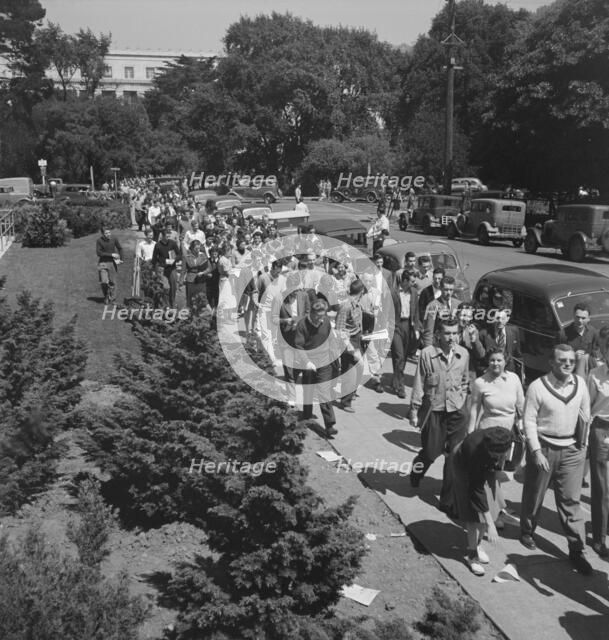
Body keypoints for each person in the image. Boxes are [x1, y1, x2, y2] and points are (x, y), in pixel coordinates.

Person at [520, 344, 592, 575]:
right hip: (544, 447)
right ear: (552, 362)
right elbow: (528, 421)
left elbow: (586, 415)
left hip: (571, 449)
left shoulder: (580, 384)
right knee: (534, 494)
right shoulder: (537, 387)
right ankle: (527, 531)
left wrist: (584, 446)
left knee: (571, 501)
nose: (568, 364)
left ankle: (577, 550)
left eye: (571, 360)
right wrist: (536, 451)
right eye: (563, 361)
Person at [409, 318, 470, 507]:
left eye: (454, 333)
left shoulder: (463, 353)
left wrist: (463, 400)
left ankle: (447, 500)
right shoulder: (427, 354)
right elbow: (419, 382)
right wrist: (414, 410)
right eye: (447, 333)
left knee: (454, 455)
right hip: (434, 410)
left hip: (457, 411)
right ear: (438, 335)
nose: (451, 337)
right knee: (431, 452)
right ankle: (417, 470)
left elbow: (466, 380)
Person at [468, 349, 525, 528]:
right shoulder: (480, 383)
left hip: (509, 432)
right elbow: (474, 409)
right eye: (492, 360)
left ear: (505, 361)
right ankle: (494, 514)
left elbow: (521, 404)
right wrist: (470, 433)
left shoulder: (514, 379)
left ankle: (499, 508)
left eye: (499, 360)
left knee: (501, 472)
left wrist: (524, 426)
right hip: (489, 433)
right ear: (488, 362)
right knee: (489, 473)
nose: (495, 364)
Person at [448, 427, 513, 576]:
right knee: (474, 514)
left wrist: (500, 466)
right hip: (464, 465)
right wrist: (491, 525)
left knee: (491, 503)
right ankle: (472, 556)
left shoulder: (504, 438)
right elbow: (476, 490)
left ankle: (477, 545)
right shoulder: (474, 451)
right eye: (495, 454)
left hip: (485, 465)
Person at [293, 299, 337, 438]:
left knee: (324, 392)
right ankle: (306, 415)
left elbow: (330, 339)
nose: (321, 319)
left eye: (323, 315)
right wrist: (306, 362)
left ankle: (329, 425)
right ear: (311, 313)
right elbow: (298, 346)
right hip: (309, 362)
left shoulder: (326, 323)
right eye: (318, 316)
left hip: (324, 362)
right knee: (308, 389)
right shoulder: (302, 325)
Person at [587, 335, 609, 558]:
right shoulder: (595, 375)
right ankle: (599, 538)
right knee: (601, 487)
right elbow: (588, 407)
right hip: (601, 429)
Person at [335, 279, 366, 412]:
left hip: (357, 338)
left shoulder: (357, 305)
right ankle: (345, 402)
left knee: (358, 369)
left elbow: (357, 322)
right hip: (347, 341)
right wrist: (350, 348)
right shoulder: (346, 306)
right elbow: (340, 330)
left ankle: (350, 394)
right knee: (349, 372)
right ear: (361, 292)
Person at [390, 270, 421, 398]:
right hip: (396, 326)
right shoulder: (393, 293)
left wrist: (417, 328)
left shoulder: (413, 292)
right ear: (404, 281)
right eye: (412, 281)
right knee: (399, 356)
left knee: (403, 356)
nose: (414, 284)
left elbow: (416, 311)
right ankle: (400, 387)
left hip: (409, 326)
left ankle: (395, 381)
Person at [478, 306, 522, 378]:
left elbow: (518, 354)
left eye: (503, 318)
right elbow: (480, 357)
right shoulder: (484, 334)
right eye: (497, 318)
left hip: (509, 372)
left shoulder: (514, 331)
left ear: (507, 319)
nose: (500, 321)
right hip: (490, 372)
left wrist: (521, 372)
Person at [560, 303, 600, 378]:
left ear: (588, 319)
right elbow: (557, 356)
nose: (580, 320)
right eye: (577, 317)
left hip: (587, 372)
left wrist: (587, 357)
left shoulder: (593, 332)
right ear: (573, 316)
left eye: (583, 318)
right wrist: (573, 355)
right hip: (569, 373)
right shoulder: (563, 334)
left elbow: (596, 353)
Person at [421, 275, 459, 348]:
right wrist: (428, 350)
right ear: (440, 288)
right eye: (446, 289)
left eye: (451, 290)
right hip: (439, 346)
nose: (449, 293)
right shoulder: (433, 306)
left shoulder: (458, 304)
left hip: (454, 345)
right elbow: (429, 331)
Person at [152, 226, 181, 308]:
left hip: (172, 268)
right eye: (166, 236)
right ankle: (166, 305)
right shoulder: (158, 245)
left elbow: (179, 254)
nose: (168, 238)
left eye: (169, 236)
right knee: (166, 287)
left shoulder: (173, 243)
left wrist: (175, 260)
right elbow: (154, 258)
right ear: (162, 236)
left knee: (173, 286)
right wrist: (154, 269)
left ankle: (173, 302)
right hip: (162, 268)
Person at [96, 227, 123, 304]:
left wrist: (121, 258)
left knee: (113, 282)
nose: (108, 234)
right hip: (103, 263)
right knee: (104, 281)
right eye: (106, 233)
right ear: (102, 234)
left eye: (109, 232)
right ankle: (106, 296)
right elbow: (99, 253)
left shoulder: (114, 239)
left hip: (112, 263)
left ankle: (112, 299)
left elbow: (120, 248)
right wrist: (111, 254)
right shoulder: (99, 241)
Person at [181, 240, 211, 309]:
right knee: (190, 300)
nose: (198, 250)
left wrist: (203, 273)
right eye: (196, 249)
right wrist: (180, 282)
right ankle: (191, 316)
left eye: (199, 248)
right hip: (191, 280)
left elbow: (209, 268)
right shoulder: (186, 257)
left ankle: (206, 316)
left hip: (201, 280)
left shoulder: (203, 256)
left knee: (203, 299)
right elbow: (183, 270)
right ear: (191, 248)